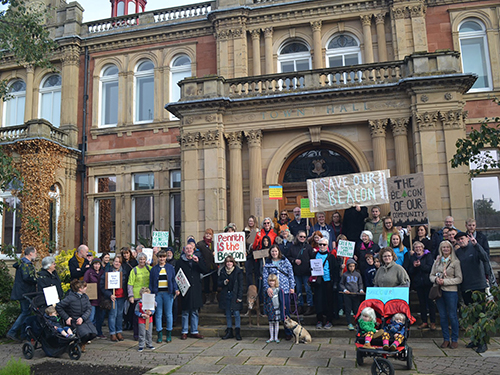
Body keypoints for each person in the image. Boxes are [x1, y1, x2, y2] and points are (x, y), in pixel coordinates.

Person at [454, 231, 490, 353]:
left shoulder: (475, 248)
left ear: (468, 239)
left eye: (462, 238)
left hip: (478, 286)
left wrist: (477, 245)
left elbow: (485, 258)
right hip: (465, 287)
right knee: (472, 316)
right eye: (458, 240)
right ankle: (475, 339)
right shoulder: (458, 252)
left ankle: (483, 343)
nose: (460, 241)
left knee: (481, 316)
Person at [429, 240, 462, 350]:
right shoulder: (437, 261)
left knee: (452, 315)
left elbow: (459, 278)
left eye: (448, 247)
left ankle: (455, 339)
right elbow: (431, 275)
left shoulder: (455, 262)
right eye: (444, 248)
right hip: (439, 291)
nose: (446, 249)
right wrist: (436, 280)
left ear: (451, 249)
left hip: (451, 291)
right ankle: (446, 339)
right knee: (442, 316)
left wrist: (446, 282)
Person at [262, 245, 295, 340]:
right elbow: (265, 277)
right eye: (272, 251)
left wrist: (292, 287)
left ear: (279, 252)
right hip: (273, 290)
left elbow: (290, 274)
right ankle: (273, 334)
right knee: (274, 310)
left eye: (276, 251)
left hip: (284, 289)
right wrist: (267, 288)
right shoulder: (267, 264)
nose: (274, 253)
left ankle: (288, 331)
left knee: (285, 310)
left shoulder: (285, 261)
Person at [175, 242, 208, 340]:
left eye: (191, 249)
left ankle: (194, 331)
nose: (189, 250)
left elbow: (205, 270)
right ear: (184, 251)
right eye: (187, 249)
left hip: (196, 288)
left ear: (193, 251)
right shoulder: (180, 261)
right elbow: (177, 275)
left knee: (195, 311)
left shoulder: (197, 260)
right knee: (185, 311)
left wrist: (198, 262)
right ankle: (184, 331)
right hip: (185, 289)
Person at [7, 246, 37, 341]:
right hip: (25, 292)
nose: (36, 255)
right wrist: (36, 280)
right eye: (35, 253)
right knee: (25, 312)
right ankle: (12, 332)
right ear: (30, 253)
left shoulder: (22, 263)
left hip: (23, 291)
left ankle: (23, 334)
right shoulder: (26, 264)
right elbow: (27, 277)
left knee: (26, 312)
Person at [56, 279, 95, 352]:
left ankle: (82, 344)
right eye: (85, 287)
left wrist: (83, 318)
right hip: (74, 320)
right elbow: (59, 307)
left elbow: (89, 308)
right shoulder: (70, 298)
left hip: (83, 319)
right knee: (85, 334)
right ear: (80, 289)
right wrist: (67, 317)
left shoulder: (85, 296)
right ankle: (77, 345)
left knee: (93, 334)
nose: (86, 288)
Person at [149, 249, 179, 343]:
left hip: (168, 293)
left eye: (163, 257)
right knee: (158, 314)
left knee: (169, 314)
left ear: (166, 258)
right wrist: (151, 293)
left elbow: (173, 280)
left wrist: (176, 289)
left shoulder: (170, 268)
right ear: (157, 258)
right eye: (160, 257)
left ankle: (169, 334)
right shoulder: (154, 269)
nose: (162, 258)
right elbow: (151, 282)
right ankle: (159, 334)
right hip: (157, 293)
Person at [311, 238, 339, 330]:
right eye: (320, 244)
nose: (322, 246)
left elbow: (335, 270)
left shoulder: (331, 257)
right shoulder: (314, 255)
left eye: (324, 244)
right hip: (318, 281)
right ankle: (319, 320)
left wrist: (335, 282)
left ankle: (329, 320)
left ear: (327, 246)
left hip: (328, 281)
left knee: (329, 301)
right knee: (318, 301)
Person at [408, 241, 436, 330]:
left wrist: (420, 266)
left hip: (428, 282)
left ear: (423, 248)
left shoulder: (428, 256)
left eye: (419, 247)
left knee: (431, 303)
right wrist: (414, 266)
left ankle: (433, 322)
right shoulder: (413, 257)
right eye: (416, 247)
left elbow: (430, 268)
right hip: (419, 284)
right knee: (422, 303)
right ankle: (424, 321)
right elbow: (410, 270)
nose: (418, 249)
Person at [100, 255, 127, 342]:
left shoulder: (124, 272)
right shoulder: (108, 272)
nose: (117, 263)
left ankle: (119, 332)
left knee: (120, 315)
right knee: (112, 315)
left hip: (121, 297)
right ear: (113, 262)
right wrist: (109, 295)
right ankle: (112, 333)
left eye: (119, 262)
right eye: (116, 261)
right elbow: (102, 285)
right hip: (112, 297)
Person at [288, 230, 315, 316]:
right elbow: (288, 257)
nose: (302, 238)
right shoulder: (293, 247)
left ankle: (310, 306)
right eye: (301, 236)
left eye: (304, 237)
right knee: (298, 290)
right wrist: (294, 260)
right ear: (297, 237)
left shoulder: (308, 247)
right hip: (297, 272)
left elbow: (313, 258)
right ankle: (300, 306)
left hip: (307, 272)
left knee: (308, 290)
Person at [218, 255, 244, 341]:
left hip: (235, 294)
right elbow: (219, 283)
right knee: (228, 313)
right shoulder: (222, 271)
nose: (229, 263)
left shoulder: (238, 271)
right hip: (226, 295)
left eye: (230, 262)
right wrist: (223, 282)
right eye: (227, 262)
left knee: (236, 313)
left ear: (233, 263)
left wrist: (240, 296)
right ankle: (229, 331)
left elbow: (241, 285)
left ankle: (237, 331)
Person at [127, 252, 151, 341]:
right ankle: (137, 334)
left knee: (147, 315)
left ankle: (146, 334)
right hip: (137, 296)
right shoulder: (134, 270)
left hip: (147, 296)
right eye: (140, 259)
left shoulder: (149, 268)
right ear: (138, 260)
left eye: (143, 259)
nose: (142, 261)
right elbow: (130, 284)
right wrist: (131, 296)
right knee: (137, 316)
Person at [84, 258, 105, 338]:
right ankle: (90, 333)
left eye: (98, 264)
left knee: (100, 317)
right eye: (95, 264)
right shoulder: (89, 272)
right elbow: (85, 284)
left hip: (101, 298)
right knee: (91, 317)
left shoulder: (103, 273)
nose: (97, 266)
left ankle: (99, 332)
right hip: (92, 299)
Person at [340, 259, 364, 331]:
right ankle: (349, 323)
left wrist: (361, 290)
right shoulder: (345, 275)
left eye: (353, 266)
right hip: (347, 295)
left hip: (356, 294)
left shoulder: (358, 274)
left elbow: (360, 283)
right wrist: (345, 290)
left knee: (356, 309)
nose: (352, 268)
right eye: (350, 266)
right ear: (347, 266)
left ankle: (357, 323)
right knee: (348, 309)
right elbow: (341, 284)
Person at [197, 228, 218, 305]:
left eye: (209, 234)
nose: (208, 235)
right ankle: (207, 297)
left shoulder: (215, 244)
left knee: (215, 282)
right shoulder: (200, 244)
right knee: (206, 282)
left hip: (214, 266)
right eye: (207, 234)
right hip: (206, 266)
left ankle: (214, 296)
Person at [121, 247, 138, 331]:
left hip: (132, 285)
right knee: (125, 308)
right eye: (124, 253)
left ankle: (130, 323)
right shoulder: (122, 263)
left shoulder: (134, 262)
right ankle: (126, 322)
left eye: (127, 253)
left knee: (131, 307)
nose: (125, 255)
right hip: (123, 286)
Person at [135, 287, 156, 352]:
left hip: (149, 320)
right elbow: (136, 311)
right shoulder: (139, 303)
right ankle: (141, 345)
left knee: (149, 333)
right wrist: (142, 315)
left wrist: (151, 312)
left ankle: (149, 344)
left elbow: (153, 309)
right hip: (141, 320)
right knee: (142, 333)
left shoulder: (151, 302)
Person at [263, 273, 282, 343]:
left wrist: (283, 307)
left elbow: (281, 300)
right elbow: (265, 301)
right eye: (270, 281)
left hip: (277, 307)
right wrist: (265, 311)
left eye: (273, 281)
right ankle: (271, 337)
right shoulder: (266, 291)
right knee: (271, 323)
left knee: (276, 323)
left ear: (275, 281)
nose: (271, 282)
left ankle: (276, 337)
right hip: (270, 308)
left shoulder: (278, 290)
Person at [245, 215, 260, 288]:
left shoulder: (258, 231)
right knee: (248, 272)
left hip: (256, 253)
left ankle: (257, 287)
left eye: (252, 221)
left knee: (257, 272)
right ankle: (250, 288)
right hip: (248, 254)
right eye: (249, 221)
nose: (251, 222)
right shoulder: (244, 231)